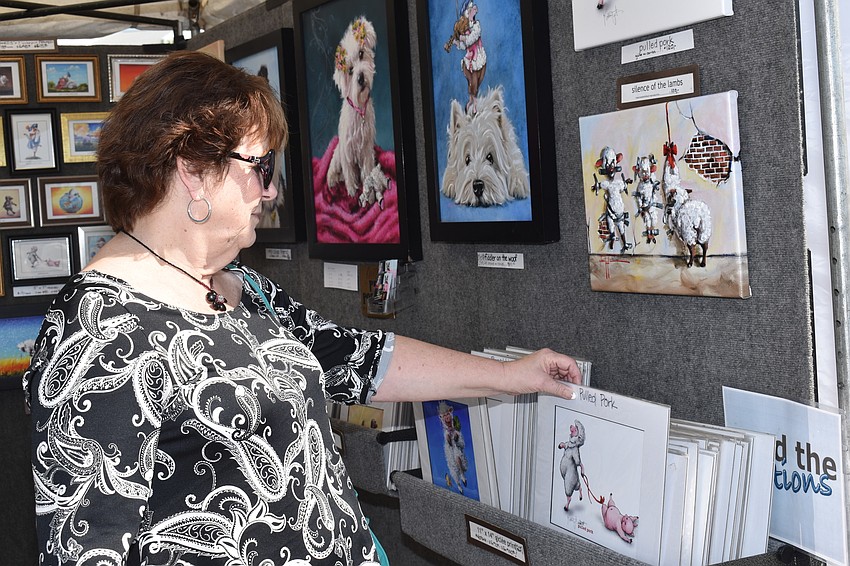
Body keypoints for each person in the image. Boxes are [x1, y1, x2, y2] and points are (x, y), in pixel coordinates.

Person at [23, 51, 581, 566]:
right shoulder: (96, 331)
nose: (271, 191)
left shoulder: (241, 287)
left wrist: (510, 376)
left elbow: (364, 363)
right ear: (193, 170)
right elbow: (85, 549)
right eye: (261, 167)